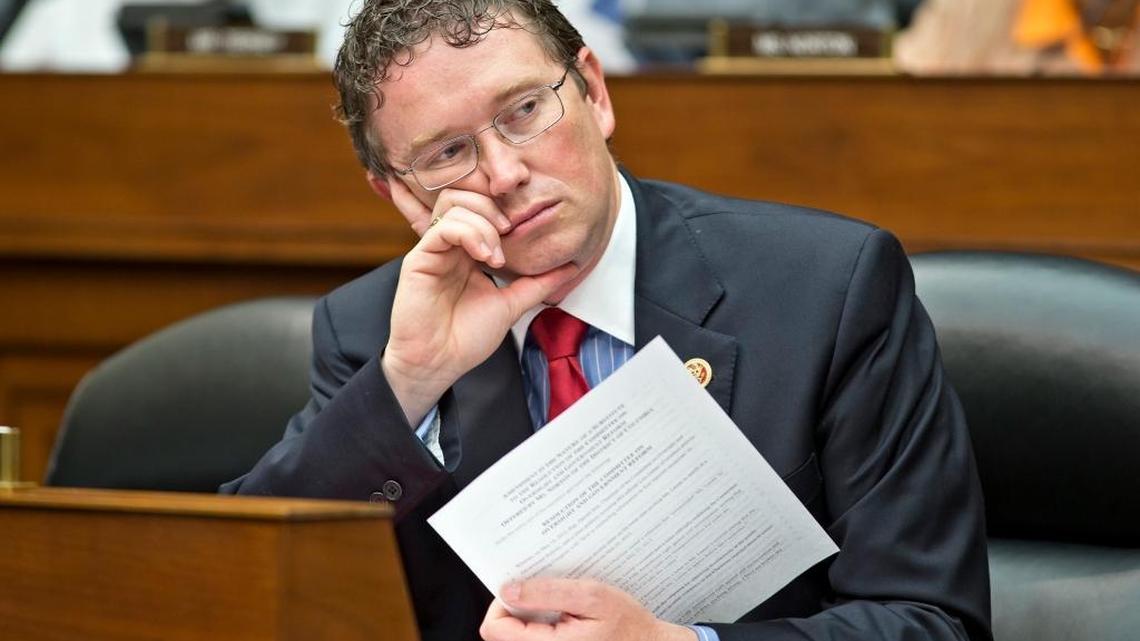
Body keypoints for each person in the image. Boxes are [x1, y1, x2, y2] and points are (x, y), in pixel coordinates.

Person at [223, 2, 992, 641]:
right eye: (448, 152)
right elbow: (237, 582)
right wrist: (410, 380)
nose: (503, 173)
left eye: (525, 111)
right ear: (397, 193)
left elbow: (933, 620)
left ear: (593, 91)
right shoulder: (372, 333)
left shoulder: (826, 288)